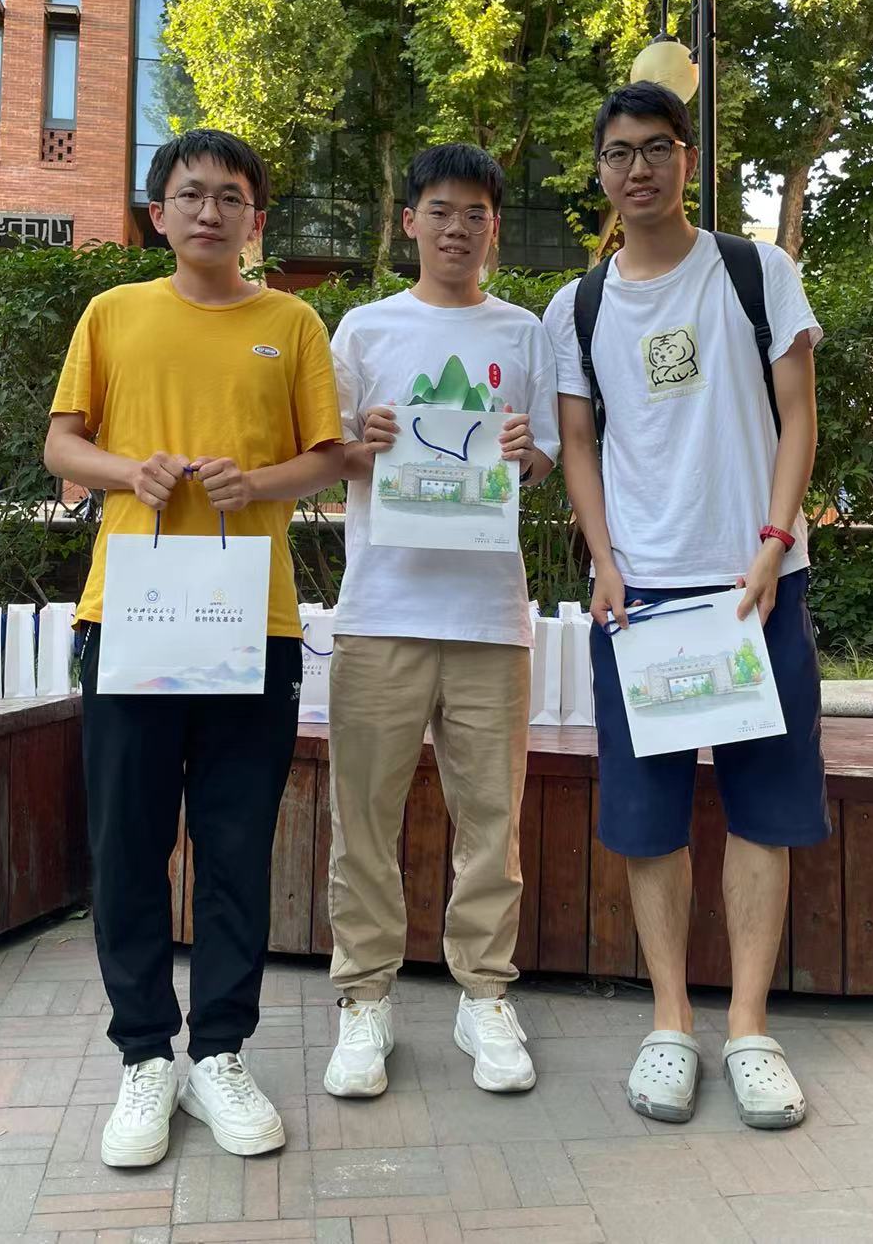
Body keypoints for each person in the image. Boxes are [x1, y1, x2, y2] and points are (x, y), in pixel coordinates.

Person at [44, 129, 344, 1168]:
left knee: (234, 845)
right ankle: (144, 1055)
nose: (209, 211)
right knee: (126, 842)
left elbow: (327, 458)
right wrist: (130, 471)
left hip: (250, 624)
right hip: (128, 613)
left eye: (230, 196)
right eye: (189, 194)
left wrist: (253, 483)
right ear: (156, 213)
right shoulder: (112, 313)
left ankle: (219, 1052)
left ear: (255, 218)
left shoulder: (291, 322)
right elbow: (62, 442)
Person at [543, 81, 827, 1131]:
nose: (639, 169)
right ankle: (670, 1023)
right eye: (619, 153)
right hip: (643, 600)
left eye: (657, 148)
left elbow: (798, 416)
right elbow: (579, 443)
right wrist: (603, 558)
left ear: (688, 159)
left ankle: (748, 1028)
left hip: (757, 586)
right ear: (600, 171)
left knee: (764, 810)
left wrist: (773, 543)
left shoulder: (755, 271)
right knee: (647, 817)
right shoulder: (576, 307)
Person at [323, 143, 559, 1099]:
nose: (457, 228)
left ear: (493, 229)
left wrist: (525, 452)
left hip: (489, 616)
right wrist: (364, 444)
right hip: (381, 610)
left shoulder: (525, 332)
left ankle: (484, 993)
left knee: (492, 822)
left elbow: (544, 458)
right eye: (441, 211)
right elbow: (325, 454)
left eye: (475, 214)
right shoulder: (365, 329)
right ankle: (363, 997)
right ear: (410, 221)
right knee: (363, 819)